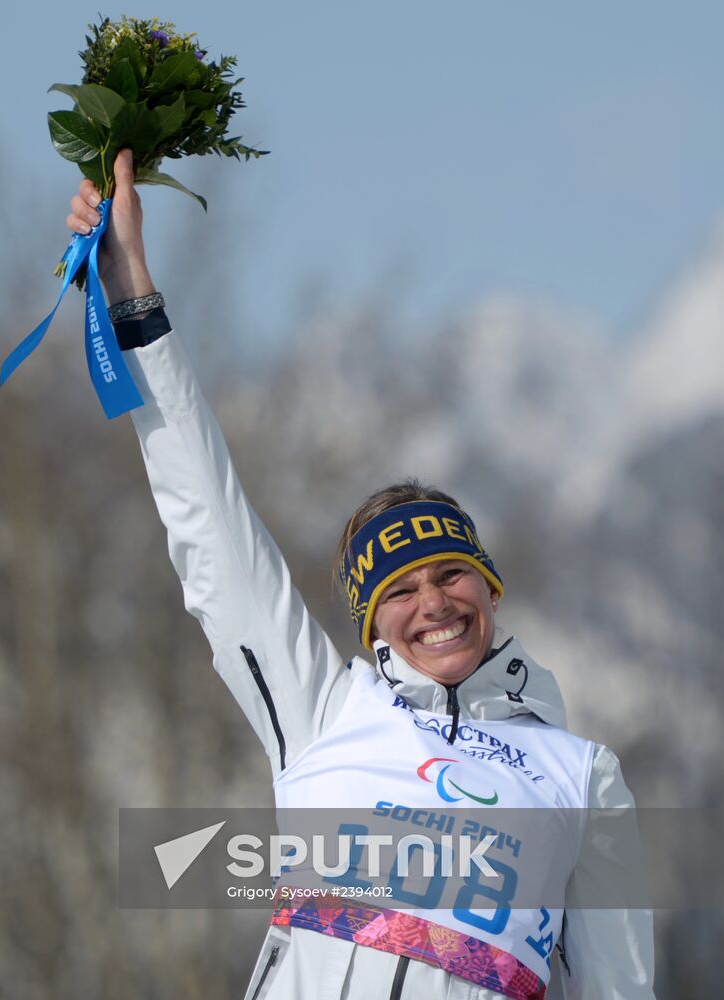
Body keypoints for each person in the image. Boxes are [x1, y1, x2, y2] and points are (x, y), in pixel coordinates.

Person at [66, 150, 656, 1000]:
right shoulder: (324, 711)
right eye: (400, 591)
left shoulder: (578, 776)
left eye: (451, 574)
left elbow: (618, 986)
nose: (434, 605)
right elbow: (210, 522)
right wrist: (133, 302)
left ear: (488, 584)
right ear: (371, 621)